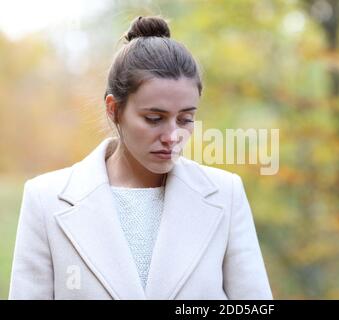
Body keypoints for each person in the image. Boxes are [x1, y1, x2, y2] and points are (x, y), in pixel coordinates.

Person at [8, 16, 272, 300]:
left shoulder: (225, 195)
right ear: (114, 109)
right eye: (154, 118)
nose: (173, 136)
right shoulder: (45, 200)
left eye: (186, 119)